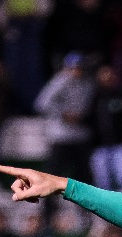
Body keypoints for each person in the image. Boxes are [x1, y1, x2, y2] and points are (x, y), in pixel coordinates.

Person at [35, 53, 96, 185]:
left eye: (79, 67)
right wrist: (63, 114)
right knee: (54, 172)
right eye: (73, 67)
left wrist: (82, 116)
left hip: (80, 134)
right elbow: (42, 103)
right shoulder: (59, 81)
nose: (77, 70)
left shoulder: (88, 83)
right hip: (61, 135)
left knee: (83, 174)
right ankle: (48, 204)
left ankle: (84, 205)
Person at [88, 65, 122, 194]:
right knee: (103, 184)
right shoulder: (92, 97)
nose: (107, 78)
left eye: (110, 75)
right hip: (99, 146)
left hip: (120, 144)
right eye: (104, 75)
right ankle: (106, 213)